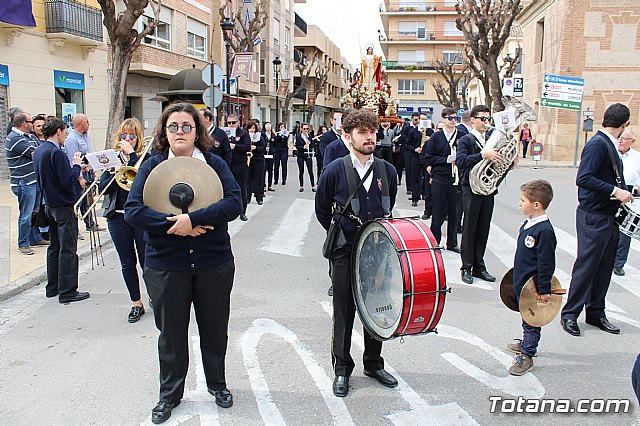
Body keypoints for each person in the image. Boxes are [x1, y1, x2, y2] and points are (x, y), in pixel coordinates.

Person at [124, 102, 242, 424]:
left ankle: (217, 384)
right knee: (171, 334)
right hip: (165, 265)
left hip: (213, 262)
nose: (180, 131)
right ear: (164, 131)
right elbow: (133, 210)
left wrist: (196, 218)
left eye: (186, 126)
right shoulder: (151, 166)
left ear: (197, 131)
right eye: (173, 126)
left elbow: (234, 201)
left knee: (215, 329)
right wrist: (175, 224)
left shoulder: (215, 164)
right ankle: (169, 395)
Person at [315, 109, 398, 398]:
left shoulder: (388, 171)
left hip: (378, 251)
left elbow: (389, 207)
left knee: (377, 308)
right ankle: (341, 369)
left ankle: (374, 364)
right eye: (362, 132)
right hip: (344, 250)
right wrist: (343, 233)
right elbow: (322, 210)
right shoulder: (335, 169)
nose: (369, 137)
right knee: (343, 311)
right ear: (348, 137)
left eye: (372, 131)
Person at [560, 103, 634, 337]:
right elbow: (584, 178)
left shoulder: (608, 144)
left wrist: (630, 189)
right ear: (624, 125)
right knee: (587, 266)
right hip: (594, 215)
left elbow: (608, 179)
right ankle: (570, 314)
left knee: (604, 268)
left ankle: (595, 313)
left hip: (608, 215)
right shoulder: (598, 144)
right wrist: (615, 191)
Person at [33, 117, 90, 303]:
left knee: (54, 247)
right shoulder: (56, 153)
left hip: (49, 204)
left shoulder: (40, 150)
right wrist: (75, 165)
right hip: (62, 206)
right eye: (65, 131)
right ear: (58, 131)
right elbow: (67, 180)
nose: (66, 135)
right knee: (67, 249)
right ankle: (68, 291)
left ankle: (53, 287)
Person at [99, 118, 149, 323]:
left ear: (137, 139)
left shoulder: (145, 158)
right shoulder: (111, 159)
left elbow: (144, 183)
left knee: (148, 260)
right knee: (127, 263)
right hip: (117, 217)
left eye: (132, 135)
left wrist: (131, 159)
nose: (127, 139)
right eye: (124, 135)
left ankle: (156, 296)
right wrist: (116, 168)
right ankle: (136, 302)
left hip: (140, 217)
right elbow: (104, 188)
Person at [507, 180, 556, 376]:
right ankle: (527, 342)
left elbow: (546, 263)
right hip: (522, 281)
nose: (519, 203)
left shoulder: (544, 230)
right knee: (524, 315)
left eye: (523, 200)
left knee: (532, 319)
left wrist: (543, 290)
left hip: (533, 286)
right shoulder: (529, 223)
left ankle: (527, 354)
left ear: (537, 205)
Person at [457, 104, 507, 285]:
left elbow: (497, 167)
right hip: (471, 190)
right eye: (483, 119)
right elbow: (461, 162)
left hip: (488, 190)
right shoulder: (465, 140)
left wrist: (509, 162)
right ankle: (466, 267)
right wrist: (482, 154)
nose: (487, 123)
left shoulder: (493, 140)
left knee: (483, 229)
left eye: (488, 119)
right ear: (473, 120)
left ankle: (479, 265)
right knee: (470, 229)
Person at [5, 112, 47, 255]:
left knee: (35, 212)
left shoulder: (30, 136)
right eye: (31, 122)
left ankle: (34, 238)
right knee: (26, 214)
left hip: (34, 181)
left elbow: (40, 149)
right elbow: (38, 153)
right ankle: (23, 243)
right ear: (24, 123)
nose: (34, 125)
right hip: (23, 183)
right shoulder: (14, 139)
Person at [422, 107, 460, 252]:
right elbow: (428, 157)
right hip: (439, 177)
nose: (453, 121)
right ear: (443, 119)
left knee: (454, 212)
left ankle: (452, 243)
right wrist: (446, 160)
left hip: (455, 178)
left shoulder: (461, 135)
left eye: (455, 118)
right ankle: (435, 241)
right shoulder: (436, 137)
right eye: (450, 118)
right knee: (437, 212)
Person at [65, 113, 104, 233]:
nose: (89, 124)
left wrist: (93, 165)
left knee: (88, 201)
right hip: (79, 175)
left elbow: (89, 153)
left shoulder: (86, 136)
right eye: (87, 122)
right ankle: (74, 230)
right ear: (81, 122)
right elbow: (73, 160)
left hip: (89, 172)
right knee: (78, 202)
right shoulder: (71, 139)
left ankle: (90, 224)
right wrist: (80, 178)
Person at [613, 129, 640, 276]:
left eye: (625, 138)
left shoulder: (637, 158)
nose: (621, 141)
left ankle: (618, 263)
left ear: (632, 141)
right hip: (612, 197)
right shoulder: (612, 154)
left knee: (624, 234)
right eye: (620, 137)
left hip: (630, 200)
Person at [226, 114, 251, 221]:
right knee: (227, 188)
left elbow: (247, 147)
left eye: (233, 122)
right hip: (228, 164)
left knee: (242, 188)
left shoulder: (243, 134)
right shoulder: (224, 133)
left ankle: (243, 211)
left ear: (238, 123)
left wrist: (235, 146)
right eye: (229, 123)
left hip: (240, 164)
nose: (231, 125)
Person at [246, 120, 266, 205]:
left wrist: (255, 147)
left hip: (258, 160)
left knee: (259, 179)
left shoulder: (260, 137)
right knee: (248, 179)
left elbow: (263, 149)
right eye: (250, 128)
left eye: (253, 128)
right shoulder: (245, 136)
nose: (252, 129)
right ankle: (247, 197)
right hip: (248, 160)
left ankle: (259, 197)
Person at [400, 113, 419, 196]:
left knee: (416, 171)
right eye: (415, 120)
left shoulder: (421, 128)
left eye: (418, 119)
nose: (417, 121)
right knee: (408, 169)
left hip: (417, 151)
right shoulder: (407, 127)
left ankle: (417, 188)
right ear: (412, 119)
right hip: (408, 151)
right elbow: (403, 139)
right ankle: (409, 188)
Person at [295, 123, 316, 192]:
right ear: (301, 129)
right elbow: (297, 146)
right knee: (301, 171)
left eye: (307, 129)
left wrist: (310, 143)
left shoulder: (309, 136)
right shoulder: (298, 137)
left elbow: (313, 145)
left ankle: (313, 186)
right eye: (304, 129)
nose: (306, 130)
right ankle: (301, 186)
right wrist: (303, 147)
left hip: (308, 155)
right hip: (301, 155)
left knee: (310, 170)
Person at [262, 122, 277, 192]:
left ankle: (270, 185)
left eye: (269, 126)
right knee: (263, 170)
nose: (268, 128)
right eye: (267, 126)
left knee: (270, 170)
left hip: (271, 154)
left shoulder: (273, 135)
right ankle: (263, 185)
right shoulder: (262, 135)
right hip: (264, 154)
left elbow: (276, 144)